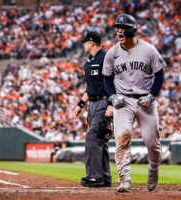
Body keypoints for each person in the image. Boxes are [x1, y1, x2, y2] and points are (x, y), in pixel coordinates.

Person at [102, 14, 166, 193]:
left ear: (133, 29)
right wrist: (112, 97)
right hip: (123, 101)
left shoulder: (149, 50)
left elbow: (159, 75)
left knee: (151, 141)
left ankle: (153, 169)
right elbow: (107, 79)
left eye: (123, 27)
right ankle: (124, 179)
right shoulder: (112, 53)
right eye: (117, 28)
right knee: (122, 137)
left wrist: (152, 96)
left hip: (145, 100)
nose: (119, 31)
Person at [72, 31, 112, 187]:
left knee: (92, 137)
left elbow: (113, 83)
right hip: (92, 104)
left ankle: (95, 176)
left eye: (85, 42)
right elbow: (90, 88)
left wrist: (111, 104)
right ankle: (105, 176)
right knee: (99, 139)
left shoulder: (106, 58)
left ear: (92, 42)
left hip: (104, 102)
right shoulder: (88, 62)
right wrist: (79, 105)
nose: (83, 44)